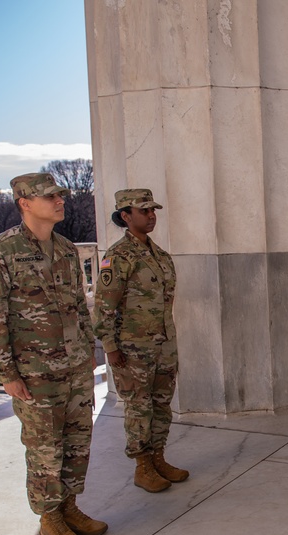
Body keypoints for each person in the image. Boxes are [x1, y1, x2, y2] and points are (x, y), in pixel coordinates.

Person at [0, 172, 106, 535]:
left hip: (75, 366)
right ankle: (49, 520)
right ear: (24, 203)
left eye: (60, 195)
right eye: (49, 196)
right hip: (34, 372)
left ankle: (69, 507)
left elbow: (80, 308)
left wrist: (87, 356)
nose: (59, 200)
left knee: (77, 441)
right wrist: (6, 374)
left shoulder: (65, 249)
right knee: (45, 446)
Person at [93, 189, 188, 493]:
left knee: (161, 404)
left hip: (163, 345)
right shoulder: (118, 257)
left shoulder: (159, 255)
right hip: (132, 349)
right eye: (144, 211)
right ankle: (142, 466)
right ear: (125, 216)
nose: (151, 216)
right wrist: (110, 347)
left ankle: (158, 457)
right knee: (139, 407)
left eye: (152, 210)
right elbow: (104, 306)